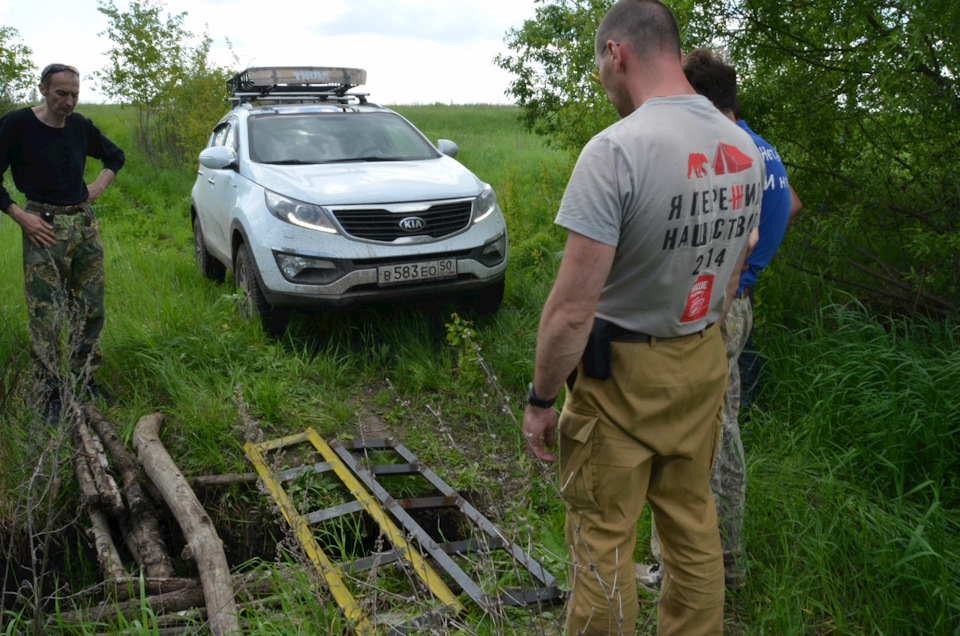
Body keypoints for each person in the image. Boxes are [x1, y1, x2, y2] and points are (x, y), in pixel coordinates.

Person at [520, 2, 765, 633]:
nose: (604, 83)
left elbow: (572, 312)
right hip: (703, 360)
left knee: (602, 537)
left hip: (621, 381)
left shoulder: (615, 151)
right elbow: (736, 270)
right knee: (691, 527)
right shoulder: (743, 148)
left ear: (617, 54)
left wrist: (542, 399)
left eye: (601, 67)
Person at [637, 47, 803, 593]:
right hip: (740, 303)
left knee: (693, 434)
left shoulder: (726, 152)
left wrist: (735, 265)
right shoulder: (762, 149)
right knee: (723, 427)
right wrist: (756, 260)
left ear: (701, 100)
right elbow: (792, 204)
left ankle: (683, 564)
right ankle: (725, 556)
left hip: (717, 305)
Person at [0, 63, 125, 424]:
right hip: (43, 226)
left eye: (74, 94)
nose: (68, 102)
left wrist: (97, 186)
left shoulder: (81, 126)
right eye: (61, 94)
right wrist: (20, 216)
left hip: (83, 226)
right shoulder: (16, 124)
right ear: (42, 89)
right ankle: (51, 391)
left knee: (90, 308)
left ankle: (85, 378)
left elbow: (115, 156)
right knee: (46, 315)